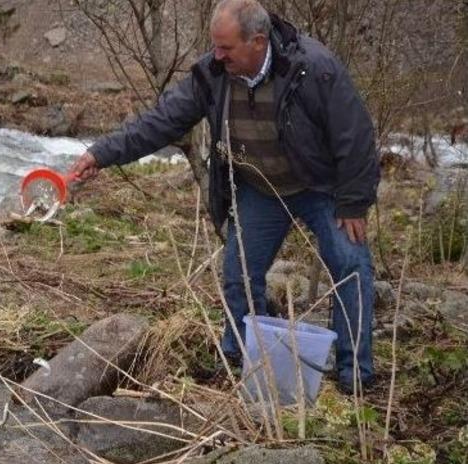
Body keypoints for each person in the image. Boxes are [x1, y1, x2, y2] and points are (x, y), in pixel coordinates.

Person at [68, 0, 379, 394]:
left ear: (258, 42)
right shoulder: (212, 73)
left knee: (351, 266)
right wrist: (101, 153)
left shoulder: (313, 68)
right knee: (238, 275)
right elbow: (160, 122)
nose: (217, 56)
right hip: (261, 189)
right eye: (215, 46)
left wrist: (354, 201)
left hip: (321, 187)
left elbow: (355, 134)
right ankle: (238, 361)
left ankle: (356, 378)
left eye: (226, 48)